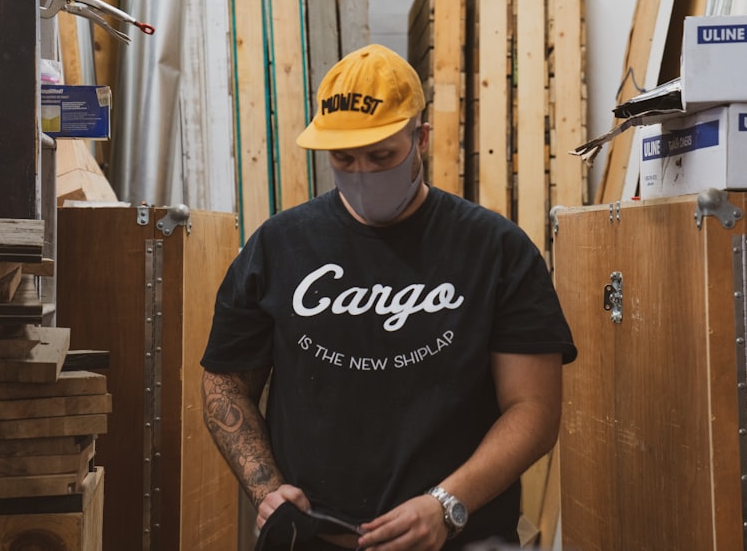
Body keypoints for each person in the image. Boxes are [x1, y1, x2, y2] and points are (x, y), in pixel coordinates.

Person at [201, 43, 577, 550]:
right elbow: (225, 385)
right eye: (344, 158)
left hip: (461, 538)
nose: (362, 174)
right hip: (315, 538)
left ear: (419, 138)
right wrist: (267, 489)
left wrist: (446, 504)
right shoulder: (278, 246)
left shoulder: (495, 250)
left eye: (382, 156)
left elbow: (533, 408)